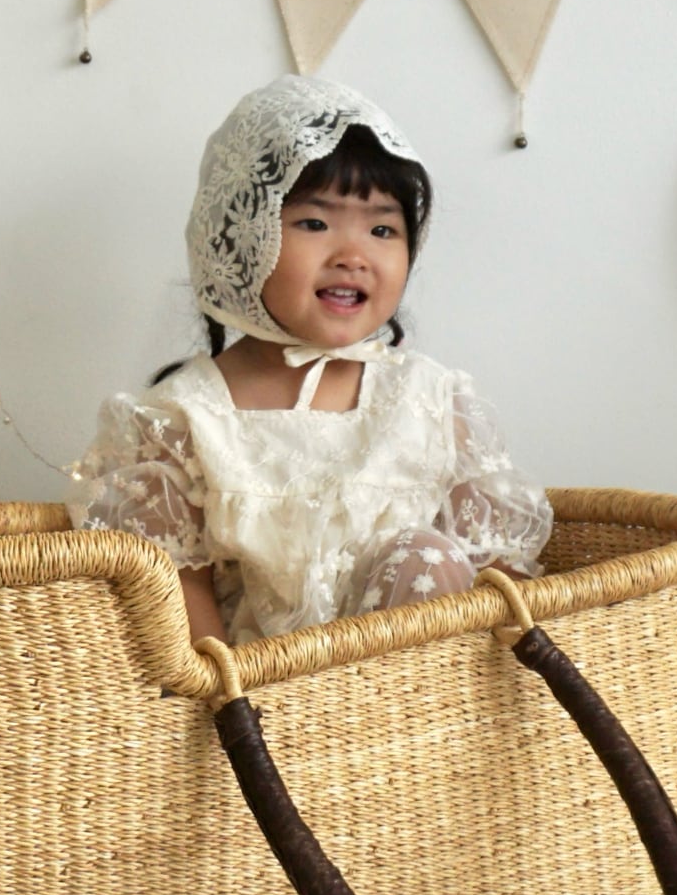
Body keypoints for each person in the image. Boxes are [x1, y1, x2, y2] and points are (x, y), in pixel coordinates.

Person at [72, 77, 551, 644]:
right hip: (258, 691)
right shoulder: (181, 419)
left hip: (423, 691)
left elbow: (500, 577)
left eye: (382, 229)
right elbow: (177, 603)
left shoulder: (431, 400)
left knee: (425, 554)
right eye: (314, 224)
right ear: (244, 238)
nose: (353, 255)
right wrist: (224, 689)